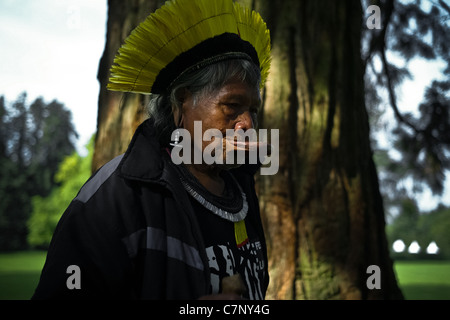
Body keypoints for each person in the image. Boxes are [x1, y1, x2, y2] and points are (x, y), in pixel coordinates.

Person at [32, 0, 271, 300]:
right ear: (183, 103)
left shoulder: (242, 192)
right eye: (232, 107)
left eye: (253, 110)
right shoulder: (117, 199)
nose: (247, 124)